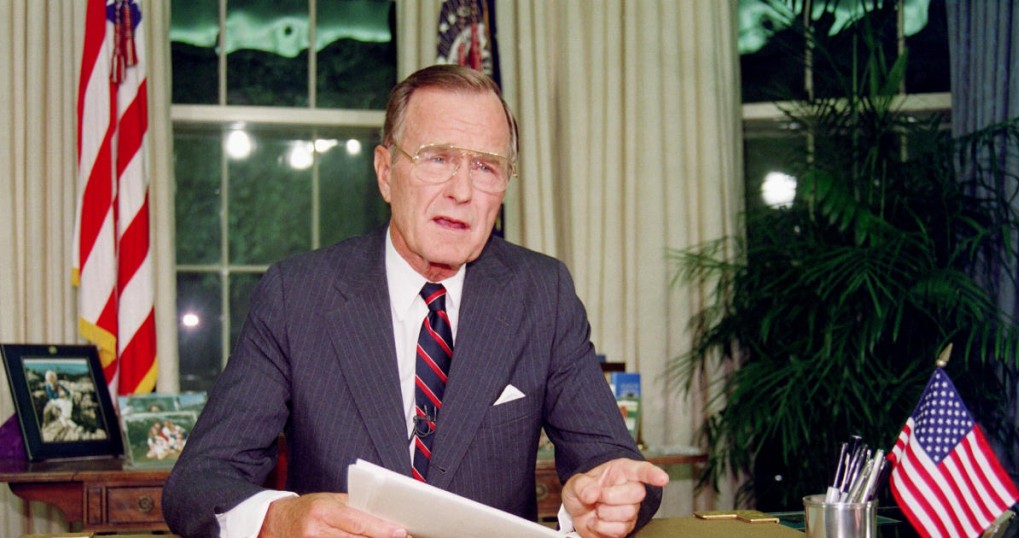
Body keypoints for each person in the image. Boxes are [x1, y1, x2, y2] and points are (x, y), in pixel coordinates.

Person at [162, 64, 669, 538]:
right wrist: (279, 517)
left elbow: (612, 461)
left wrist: (610, 497)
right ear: (386, 172)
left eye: (487, 167)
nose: (463, 191)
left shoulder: (542, 294)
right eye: (439, 158)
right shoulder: (297, 296)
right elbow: (200, 482)